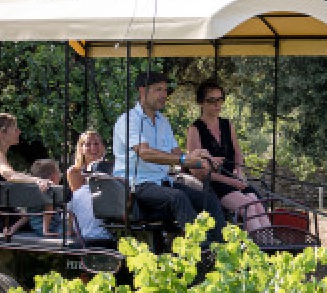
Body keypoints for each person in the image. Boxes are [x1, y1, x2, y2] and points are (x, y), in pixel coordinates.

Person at [111, 71, 226, 244]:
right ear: (142, 91)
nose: (164, 95)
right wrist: (182, 160)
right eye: (158, 90)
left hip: (163, 182)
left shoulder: (163, 121)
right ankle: (203, 249)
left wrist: (198, 155)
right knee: (177, 197)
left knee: (207, 198)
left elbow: (176, 153)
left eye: (165, 90)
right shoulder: (128, 121)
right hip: (136, 186)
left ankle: (222, 247)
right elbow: (145, 152)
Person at [185, 79, 272, 233]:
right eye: (211, 101)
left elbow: (237, 154)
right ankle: (260, 248)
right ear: (201, 103)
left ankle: (272, 244)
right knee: (248, 208)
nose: (217, 105)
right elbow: (197, 171)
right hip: (213, 183)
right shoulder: (194, 129)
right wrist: (230, 180)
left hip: (233, 179)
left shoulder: (227, 124)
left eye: (220, 99)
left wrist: (238, 172)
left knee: (257, 203)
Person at [0, 112, 52, 234]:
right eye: (15, 129)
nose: (19, 132)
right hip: (0, 222)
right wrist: (38, 180)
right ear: (2, 133)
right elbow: (9, 175)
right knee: (47, 221)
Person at [26, 159, 66, 237]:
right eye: (59, 173)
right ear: (53, 177)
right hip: (52, 228)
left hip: (36, 227)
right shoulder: (49, 189)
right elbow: (49, 208)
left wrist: (12, 228)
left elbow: (27, 215)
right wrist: (46, 231)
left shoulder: (33, 191)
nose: (60, 175)